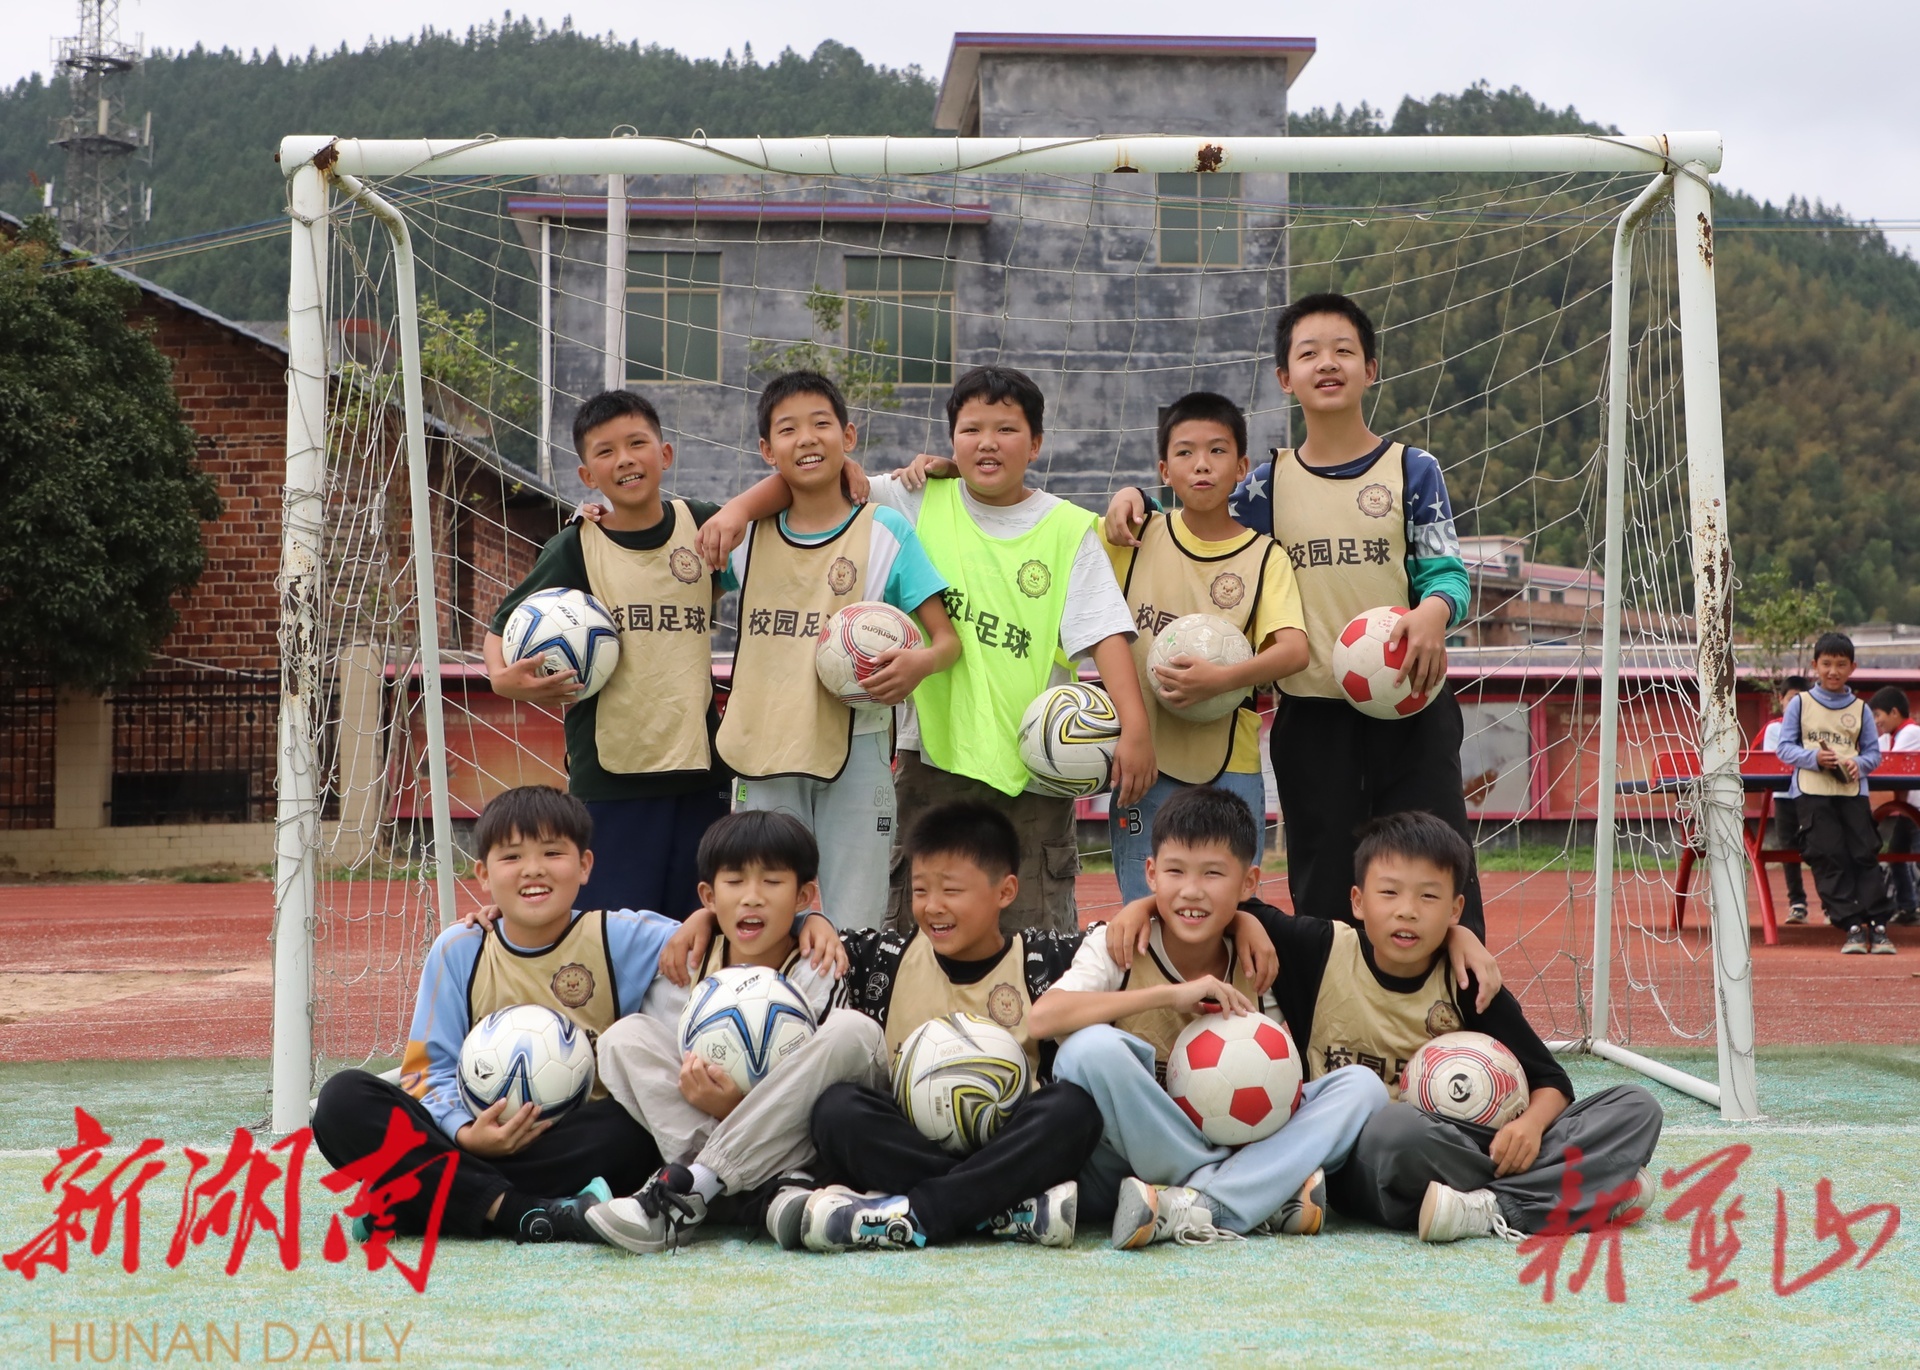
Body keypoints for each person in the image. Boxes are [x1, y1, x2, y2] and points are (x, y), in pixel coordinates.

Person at [701, 365, 1155, 934]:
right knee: (918, 930)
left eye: (1006, 430)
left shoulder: (1067, 529)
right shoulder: (913, 498)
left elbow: (1104, 631)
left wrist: (1135, 727)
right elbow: (816, 478)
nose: (988, 443)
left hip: (1034, 766)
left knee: (1032, 936)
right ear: (950, 439)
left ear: (1036, 443)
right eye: (972, 430)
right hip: (929, 758)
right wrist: (740, 509)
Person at [1105, 293, 1484, 939]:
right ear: (1286, 377)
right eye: (1309, 353)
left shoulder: (1412, 469)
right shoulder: (1264, 485)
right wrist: (1136, 496)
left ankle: (1462, 999)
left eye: (1343, 351)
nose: (1327, 363)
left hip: (1410, 706)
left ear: (1370, 369)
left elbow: (1445, 570)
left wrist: (1434, 611)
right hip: (1312, 718)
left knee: (1434, 868)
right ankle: (1329, 1002)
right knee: (1325, 884)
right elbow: (1198, 519)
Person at [1237, 810, 1661, 1243]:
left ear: (1455, 909)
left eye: (1428, 897)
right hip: (1373, 1160)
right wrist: (1246, 921)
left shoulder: (1465, 979)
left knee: (1636, 1106)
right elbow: (1224, 902)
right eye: (1389, 893)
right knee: (1396, 1129)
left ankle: (1488, 1207)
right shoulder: (1322, 951)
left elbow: (1551, 1081)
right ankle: (1568, 1188)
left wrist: (1529, 1127)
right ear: (1358, 901)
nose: (1407, 911)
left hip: (1470, 1143)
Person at [309, 786, 676, 1245]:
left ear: (584, 865)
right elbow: (427, 1070)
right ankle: (522, 1210)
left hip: (571, 1139)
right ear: (483, 874)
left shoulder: (618, 936)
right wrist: (465, 1134)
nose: (533, 869)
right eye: (512, 856)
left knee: (634, 1131)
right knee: (342, 1101)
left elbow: (732, 929)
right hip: (467, 1137)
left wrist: (703, 921)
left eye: (552, 852)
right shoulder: (460, 948)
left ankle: (419, 1199)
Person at [1030, 785, 1389, 1248]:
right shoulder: (1119, 945)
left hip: (1222, 1153)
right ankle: (1245, 1194)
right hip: (1125, 1165)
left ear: (1249, 883)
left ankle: (1199, 1203)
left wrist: (1461, 936)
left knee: (1362, 1087)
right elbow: (1044, 1019)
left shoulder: (1260, 959)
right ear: (1151, 874)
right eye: (1175, 871)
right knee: (1088, 1049)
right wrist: (1168, 996)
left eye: (1213, 873)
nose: (1192, 890)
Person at [792, 803, 1108, 1251]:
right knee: (836, 1111)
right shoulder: (883, 958)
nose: (932, 907)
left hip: (1010, 1142)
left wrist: (1147, 908)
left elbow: (1121, 940)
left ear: (1005, 891)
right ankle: (998, 1208)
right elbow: (774, 927)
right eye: (921, 890)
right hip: (913, 1143)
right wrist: (809, 919)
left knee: (1073, 1110)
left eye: (951, 890)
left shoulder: (1045, 959)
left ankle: (923, 1211)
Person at [712, 371, 961, 930]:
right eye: (788, 429)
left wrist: (920, 662)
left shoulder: (885, 531)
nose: (806, 438)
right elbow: (686, 592)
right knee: (767, 920)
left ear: (848, 436)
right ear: (766, 450)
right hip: (763, 752)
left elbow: (947, 641)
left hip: (858, 749)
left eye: (821, 424)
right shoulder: (745, 535)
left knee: (856, 925)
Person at [586, 810, 888, 1252]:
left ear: (804, 896)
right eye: (734, 881)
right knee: (622, 1037)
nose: (752, 897)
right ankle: (767, 1194)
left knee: (854, 1031)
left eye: (772, 882)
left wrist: (734, 1105)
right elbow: (671, 1081)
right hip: (770, 1160)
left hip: (799, 1139)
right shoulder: (686, 961)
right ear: (708, 896)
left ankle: (692, 1189)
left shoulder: (818, 965)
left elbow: (816, 1090)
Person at [484, 391, 730, 920]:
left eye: (637, 443)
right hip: (611, 777)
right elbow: (503, 626)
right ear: (586, 475)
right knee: (613, 932)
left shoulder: (703, 525)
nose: (624, 459)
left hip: (702, 770)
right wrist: (504, 680)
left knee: (699, 929)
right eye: (605, 451)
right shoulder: (576, 546)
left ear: (665, 454)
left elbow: (780, 515)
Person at [1100, 392, 1308, 902]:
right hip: (1142, 760)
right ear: (1164, 470)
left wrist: (1222, 679)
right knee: (1145, 906)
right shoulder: (1132, 536)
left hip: (1229, 764)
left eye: (1217, 451)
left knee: (1230, 908)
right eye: (1185, 452)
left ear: (1241, 467)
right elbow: (1046, 523)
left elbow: (1293, 651)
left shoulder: (1266, 557)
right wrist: (1125, 493)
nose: (1201, 465)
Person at [1774, 632, 1898, 954]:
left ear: (1852, 667)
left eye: (1841, 664)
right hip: (1812, 791)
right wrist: (1813, 758)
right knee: (1828, 855)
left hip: (1852, 792)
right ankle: (1851, 925)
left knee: (1864, 853)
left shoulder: (1861, 709)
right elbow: (1784, 748)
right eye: (1827, 664)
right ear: (1815, 665)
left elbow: (1873, 754)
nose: (1833, 671)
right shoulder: (1800, 704)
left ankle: (1878, 925)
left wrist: (1859, 764)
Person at [1761, 675, 1818, 924]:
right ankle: (1797, 903)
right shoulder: (1775, 729)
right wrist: (1806, 758)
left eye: (1801, 700)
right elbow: (1778, 761)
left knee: (1819, 847)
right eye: (1791, 698)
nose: (1795, 704)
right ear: (1781, 700)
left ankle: (1829, 904)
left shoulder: (1815, 728)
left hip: (1812, 793)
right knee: (1788, 848)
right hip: (1784, 796)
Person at [1868, 685, 1920, 926]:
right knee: (1896, 855)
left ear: (1895, 712)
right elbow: (1872, 754)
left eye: (1878, 715)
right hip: (1908, 811)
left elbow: (1887, 763)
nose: (1876, 721)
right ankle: (1908, 906)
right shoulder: (1890, 737)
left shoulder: (1911, 733)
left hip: (1916, 809)